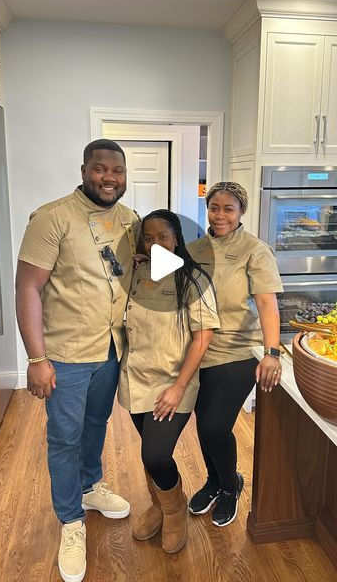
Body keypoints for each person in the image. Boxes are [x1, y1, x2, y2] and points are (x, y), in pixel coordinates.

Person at [15, 138, 141, 582]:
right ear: (85, 169)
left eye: (117, 171)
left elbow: (145, 271)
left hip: (110, 348)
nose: (109, 178)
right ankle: (71, 520)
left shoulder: (129, 220)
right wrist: (35, 358)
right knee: (64, 437)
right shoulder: (52, 218)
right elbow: (27, 288)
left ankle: (89, 487)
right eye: (101, 169)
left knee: (95, 424)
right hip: (66, 354)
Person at [117, 209, 220, 554]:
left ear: (177, 237)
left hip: (173, 384)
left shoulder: (193, 280)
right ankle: (158, 506)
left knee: (157, 454)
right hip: (136, 378)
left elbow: (202, 339)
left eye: (163, 236)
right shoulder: (136, 274)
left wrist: (177, 388)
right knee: (150, 456)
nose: (156, 243)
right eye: (148, 237)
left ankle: (174, 510)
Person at [187, 181, 283, 528]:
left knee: (215, 426)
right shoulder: (195, 248)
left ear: (241, 211)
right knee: (203, 423)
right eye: (214, 207)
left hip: (240, 349)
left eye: (229, 208)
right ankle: (214, 481)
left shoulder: (255, 251)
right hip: (199, 348)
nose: (220, 215)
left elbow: (267, 304)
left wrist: (272, 353)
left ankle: (230, 485)